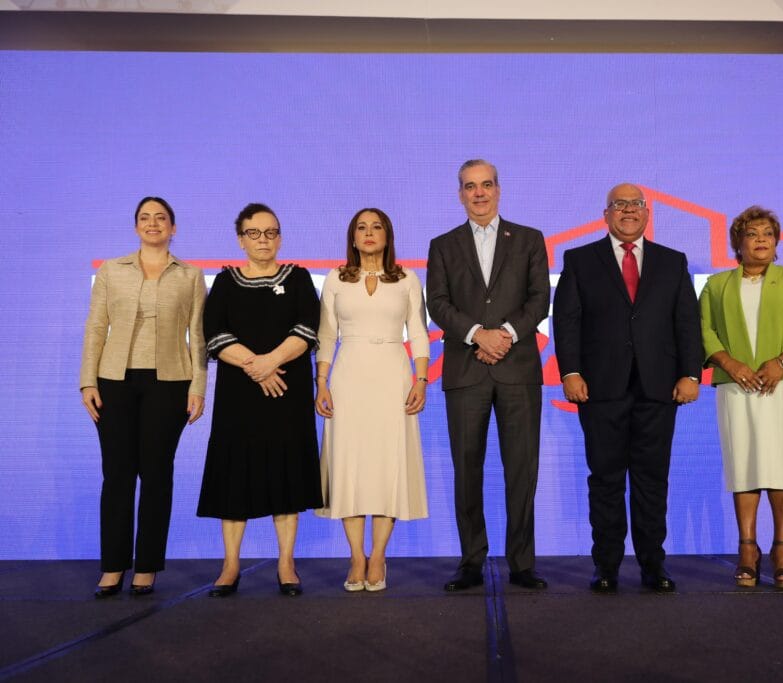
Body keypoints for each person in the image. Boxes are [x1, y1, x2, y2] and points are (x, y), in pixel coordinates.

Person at [552, 183, 702, 593]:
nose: (628, 211)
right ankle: (606, 567)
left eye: (635, 204)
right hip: (599, 389)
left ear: (647, 213)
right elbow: (567, 322)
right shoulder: (580, 260)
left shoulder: (673, 262)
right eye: (619, 205)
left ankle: (654, 566)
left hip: (659, 389)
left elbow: (687, 322)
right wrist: (570, 372)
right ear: (606, 215)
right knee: (605, 479)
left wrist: (691, 372)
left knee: (653, 479)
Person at [426, 159, 551, 591]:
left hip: (517, 369)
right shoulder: (442, 245)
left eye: (486, 185)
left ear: (499, 189)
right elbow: (437, 303)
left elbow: (540, 299)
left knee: (522, 468)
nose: (479, 193)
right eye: (469, 187)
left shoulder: (530, 239)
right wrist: (479, 335)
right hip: (466, 369)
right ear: (459, 194)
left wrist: (507, 335)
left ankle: (522, 563)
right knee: (467, 468)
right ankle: (471, 559)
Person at [81, 196, 206, 598]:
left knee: (156, 473)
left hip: (169, 381)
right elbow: (96, 328)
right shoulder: (111, 272)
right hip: (113, 380)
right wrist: (87, 382)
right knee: (117, 473)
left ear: (173, 228)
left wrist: (199, 386)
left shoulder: (189, 275)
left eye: (161, 218)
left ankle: (147, 566)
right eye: (144, 218)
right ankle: (113, 565)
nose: (152, 224)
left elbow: (199, 337)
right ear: (136, 227)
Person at [198, 203, 322, 597]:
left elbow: (308, 329)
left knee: (285, 475)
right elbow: (214, 334)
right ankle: (231, 564)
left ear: (280, 237)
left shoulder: (299, 278)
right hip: (239, 394)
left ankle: (286, 562)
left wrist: (271, 362)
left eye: (271, 232)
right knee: (234, 476)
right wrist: (255, 366)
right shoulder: (225, 281)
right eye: (254, 233)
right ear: (240, 239)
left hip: (287, 389)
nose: (263, 240)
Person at [699, 206, 783, 589]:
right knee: (745, 463)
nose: (761, 241)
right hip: (737, 386)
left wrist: (782, 363)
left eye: (768, 234)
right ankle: (748, 549)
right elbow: (703, 328)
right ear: (737, 242)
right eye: (752, 234)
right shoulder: (717, 285)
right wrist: (730, 363)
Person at [314, 208, 430, 592]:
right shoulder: (335, 279)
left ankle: (378, 556)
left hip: (393, 374)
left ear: (387, 235)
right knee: (349, 464)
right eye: (361, 227)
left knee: (386, 465)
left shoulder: (407, 279)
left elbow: (417, 331)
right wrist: (322, 382)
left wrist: (422, 378)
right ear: (351, 237)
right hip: (348, 376)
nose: (368, 233)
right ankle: (356, 557)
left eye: (376, 226)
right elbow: (327, 335)